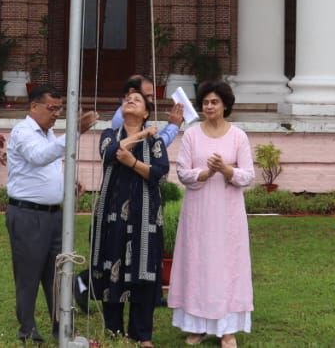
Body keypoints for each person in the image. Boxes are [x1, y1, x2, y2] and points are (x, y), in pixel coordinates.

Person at [5, 85, 97, 344]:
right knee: (29, 274)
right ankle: (27, 329)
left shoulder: (49, 134)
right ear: (34, 106)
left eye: (59, 109)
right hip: (28, 214)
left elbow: (49, 167)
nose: (56, 113)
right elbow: (38, 157)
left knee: (58, 274)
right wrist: (75, 131)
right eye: (51, 108)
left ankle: (61, 327)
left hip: (54, 215)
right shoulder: (23, 132)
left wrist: (67, 183)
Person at [169, 80, 254, 348]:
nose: (209, 106)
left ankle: (227, 330)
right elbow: (182, 172)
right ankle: (197, 326)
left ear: (225, 105)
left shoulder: (238, 136)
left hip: (228, 215)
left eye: (214, 102)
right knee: (198, 265)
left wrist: (226, 170)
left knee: (227, 266)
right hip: (198, 213)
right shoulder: (192, 135)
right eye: (205, 102)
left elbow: (247, 175)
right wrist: (205, 173)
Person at [89, 87, 169, 347]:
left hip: (145, 214)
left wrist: (132, 162)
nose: (130, 101)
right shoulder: (109, 134)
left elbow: (159, 173)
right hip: (113, 214)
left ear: (146, 113)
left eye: (137, 100)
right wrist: (142, 134)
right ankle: (113, 331)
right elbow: (109, 153)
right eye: (127, 99)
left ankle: (142, 334)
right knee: (112, 267)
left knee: (143, 268)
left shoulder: (155, 143)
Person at [110, 74, 185, 148]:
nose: (151, 101)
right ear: (132, 92)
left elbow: (153, 141)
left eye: (152, 97)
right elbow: (153, 147)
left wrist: (171, 124)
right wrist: (174, 125)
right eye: (147, 96)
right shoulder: (124, 118)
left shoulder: (136, 116)